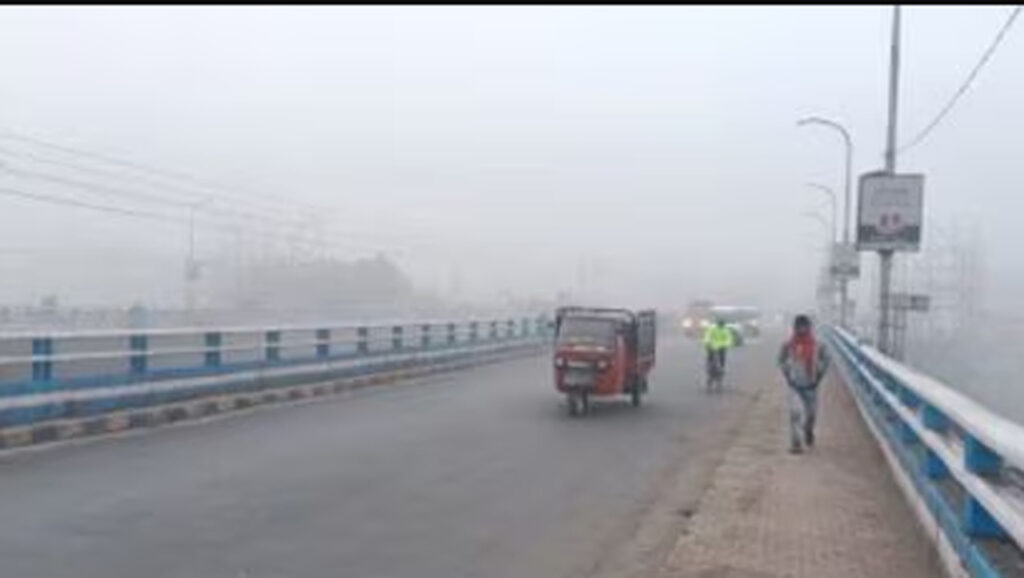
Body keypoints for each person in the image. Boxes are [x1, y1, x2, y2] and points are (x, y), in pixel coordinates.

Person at [777, 314, 830, 454]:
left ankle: (808, 431)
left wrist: (819, 375)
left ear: (808, 327)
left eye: (804, 326)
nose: (801, 329)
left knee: (811, 415)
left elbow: (827, 360)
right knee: (795, 413)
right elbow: (781, 360)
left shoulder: (818, 344)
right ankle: (796, 443)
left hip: (812, 385)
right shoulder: (788, 345)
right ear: (795, 327)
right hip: (795, 385)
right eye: (798, 326)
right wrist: (787, 374)